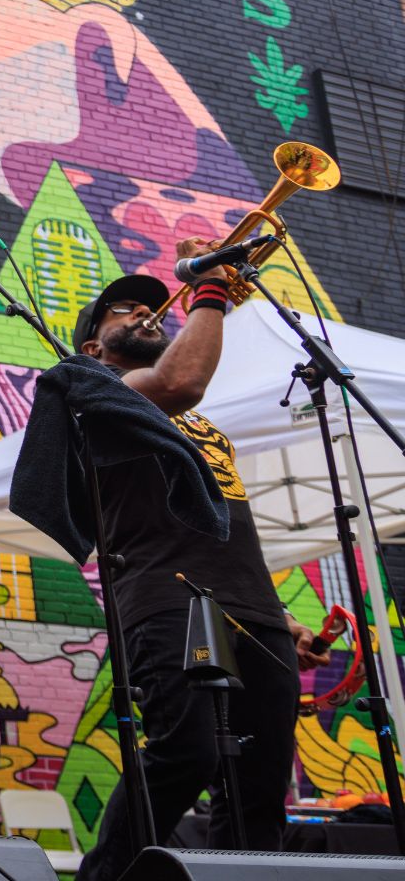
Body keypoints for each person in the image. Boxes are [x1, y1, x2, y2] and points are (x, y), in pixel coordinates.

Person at [71, 255, 329, 881]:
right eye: (121, 309)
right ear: (92, 345)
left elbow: (224, 528)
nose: (141, 311)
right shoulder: (94, 391)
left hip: (252, 610)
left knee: (259, 788)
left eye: (147, 305)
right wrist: (211, 291)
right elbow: (181, 382)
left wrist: (280, 614)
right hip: (170, 601)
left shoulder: (203, 427)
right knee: (183, 755)